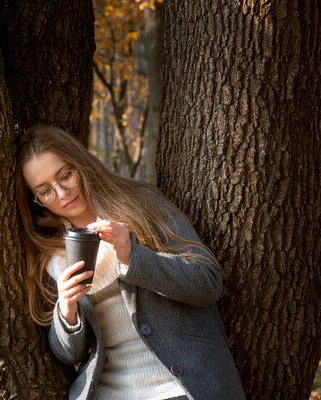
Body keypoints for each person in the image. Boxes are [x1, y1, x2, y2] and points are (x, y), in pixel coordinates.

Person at [15, 125, 245, 400]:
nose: (62, 194)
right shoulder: (48, 255)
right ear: (36, 200)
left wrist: (133, 258)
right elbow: (67, 354)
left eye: (65, 176)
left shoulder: (141, 205)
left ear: (81, 164)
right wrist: (66, 311)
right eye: (45, 191)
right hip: (108, 393)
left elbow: (208, 282)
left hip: (184, 387)